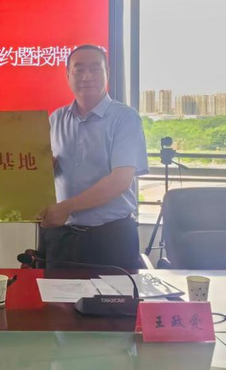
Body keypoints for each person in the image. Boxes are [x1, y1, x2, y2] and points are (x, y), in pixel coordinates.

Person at [39, 44, 148, 269]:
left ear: (107, 72)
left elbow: (120, 181)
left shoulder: (125, 118)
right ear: (67, 75)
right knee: (57, 293)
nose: (86, 76)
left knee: (114, 293)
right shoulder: (56, 119)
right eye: (78, 69)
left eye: (95, 69)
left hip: (111, 238)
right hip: (63, 237)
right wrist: (43, 169)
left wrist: (67, 207)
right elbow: (48, 170)